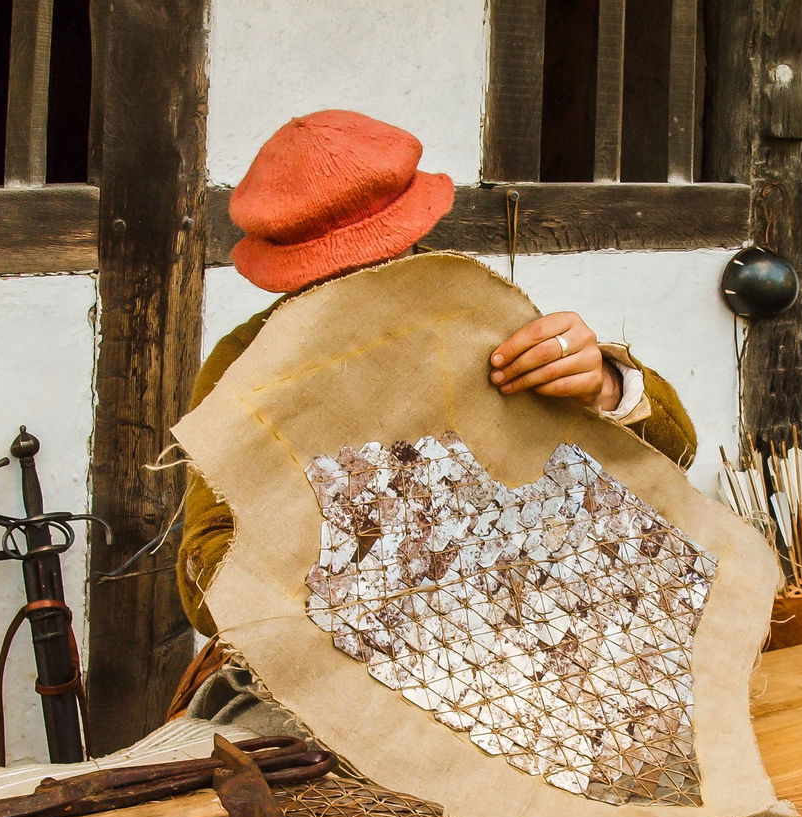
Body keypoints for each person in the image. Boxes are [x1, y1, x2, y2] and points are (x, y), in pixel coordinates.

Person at [175, 109, 698, 638]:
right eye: (326, 274)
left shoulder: (481, 321)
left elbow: (675, 457)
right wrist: (351, 568)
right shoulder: (247, 363)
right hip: (344, 651)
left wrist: (606, 386)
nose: (357, 284)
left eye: (379, 258)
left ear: (413, 230)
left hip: (526, 627)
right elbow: (206, 573)